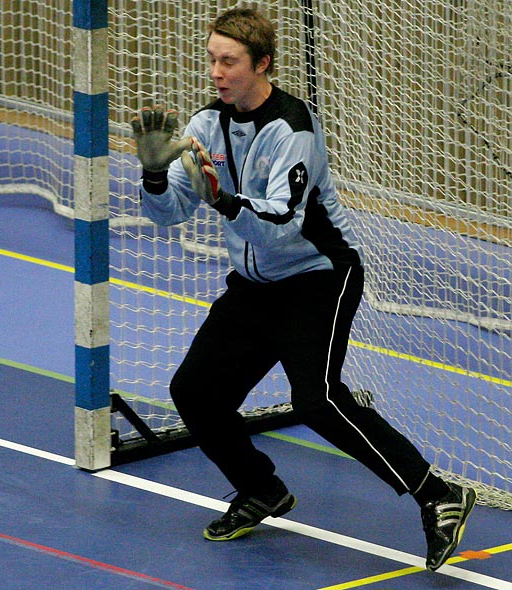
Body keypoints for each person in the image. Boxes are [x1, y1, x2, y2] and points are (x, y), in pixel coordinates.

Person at [130, 7, 476, 572]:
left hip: (319, 277)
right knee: (195, 392)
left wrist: (220, 200)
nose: (217, 72)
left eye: (230, 62)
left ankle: (438, 494)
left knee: (317, 398)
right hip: (255, 284)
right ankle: (262, 489)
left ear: (262, 64)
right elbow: (168, 212)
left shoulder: (294, 127)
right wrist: (150, 175)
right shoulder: (203, 126)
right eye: (213, 59)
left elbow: (281, 220)